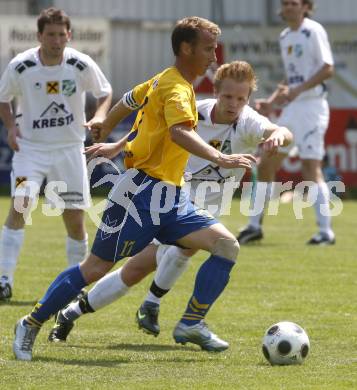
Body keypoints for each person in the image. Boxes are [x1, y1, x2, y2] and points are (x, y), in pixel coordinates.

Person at [13, 16, 260, 361]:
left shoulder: (166, 80)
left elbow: (128, 102)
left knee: (225, 246)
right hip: (141, 195)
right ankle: (30, 321)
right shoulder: (176, 88)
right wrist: (223, 158)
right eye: (207, 48)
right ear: (186, 48)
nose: (213, 56)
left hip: (172, 197)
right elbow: (178, 133)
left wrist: (107, 129)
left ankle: (191, 322)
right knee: (95, 268)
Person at [47, 61, 292, 348]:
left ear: (248, 99)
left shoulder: (249, 122)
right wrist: (117, 146)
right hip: (170, 195)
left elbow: (281, 130)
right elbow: (153, 125)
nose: (233, 104)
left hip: (208, 204)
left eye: (241, 98)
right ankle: (164, 312)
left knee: (144, 266)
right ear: (215, 92)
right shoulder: (194, 111)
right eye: (227, 96)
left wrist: (278, 136)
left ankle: (95, 310)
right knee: (149, 261)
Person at [0, 8, 112, 301]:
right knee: (21, 204)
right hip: (31, 149)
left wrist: (100, 115)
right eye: (50, 34)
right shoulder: (21, 66)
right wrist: (11, 127)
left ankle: (76, 285)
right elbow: (3, 98)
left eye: (62, 34)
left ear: (69, 35)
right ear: (39, 36)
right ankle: (3, 279)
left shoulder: (79, 63)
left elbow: (105, 92)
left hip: (69, 150)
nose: (57, 40)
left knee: (74, 219)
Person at [237, 0, 335, 245]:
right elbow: (291, 76)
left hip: (313, 107)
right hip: (293, 109)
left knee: (310, 170)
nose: (288, 7)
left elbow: (327, 68)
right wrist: (271, 102)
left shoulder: (313, 30)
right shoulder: (284, 36)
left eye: (293, 3)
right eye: (285, 3)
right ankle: (253, 226)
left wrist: (298, 90)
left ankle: (326, 233)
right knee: (265, 162)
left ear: (305, 7)